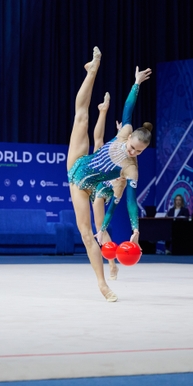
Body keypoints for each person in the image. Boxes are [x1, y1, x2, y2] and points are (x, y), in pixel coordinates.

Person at [67, 46, 152, 302]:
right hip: (79, 162)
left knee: (86, 234)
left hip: (84, 186)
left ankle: (103, 284)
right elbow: (128, 108)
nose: (133, 152)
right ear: (130, 137)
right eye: (132, 147)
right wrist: (136, 84)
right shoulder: (125, 132)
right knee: (81, 117)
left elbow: (130, 201)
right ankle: (92, 70)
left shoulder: (131, 168)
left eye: (138, 151)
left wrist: (136, 229)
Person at [90, 95, 127, 281]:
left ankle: (112, 264)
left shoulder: (117, 158)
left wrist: (121, 134)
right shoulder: (101, 154)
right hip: (96, 183)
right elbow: (97, 138)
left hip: (106, 186)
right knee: (98, 228)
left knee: (99, 227)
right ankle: (102, 110)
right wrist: (102, 112)